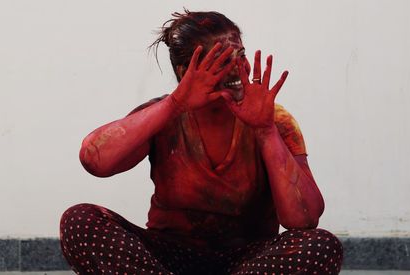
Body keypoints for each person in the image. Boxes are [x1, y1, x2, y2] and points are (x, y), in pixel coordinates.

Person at [60, 9, 343, 275]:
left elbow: (303, 220)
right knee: (79, 220)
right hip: (168, 257)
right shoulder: (163, 115)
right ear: (186, 72)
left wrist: (266, 131)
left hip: (246, 260)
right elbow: (94, 160)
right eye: (223, 60)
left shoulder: (274, 119)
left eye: (240, 56)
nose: (239, 69)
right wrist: (175, 103)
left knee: (321, 245)